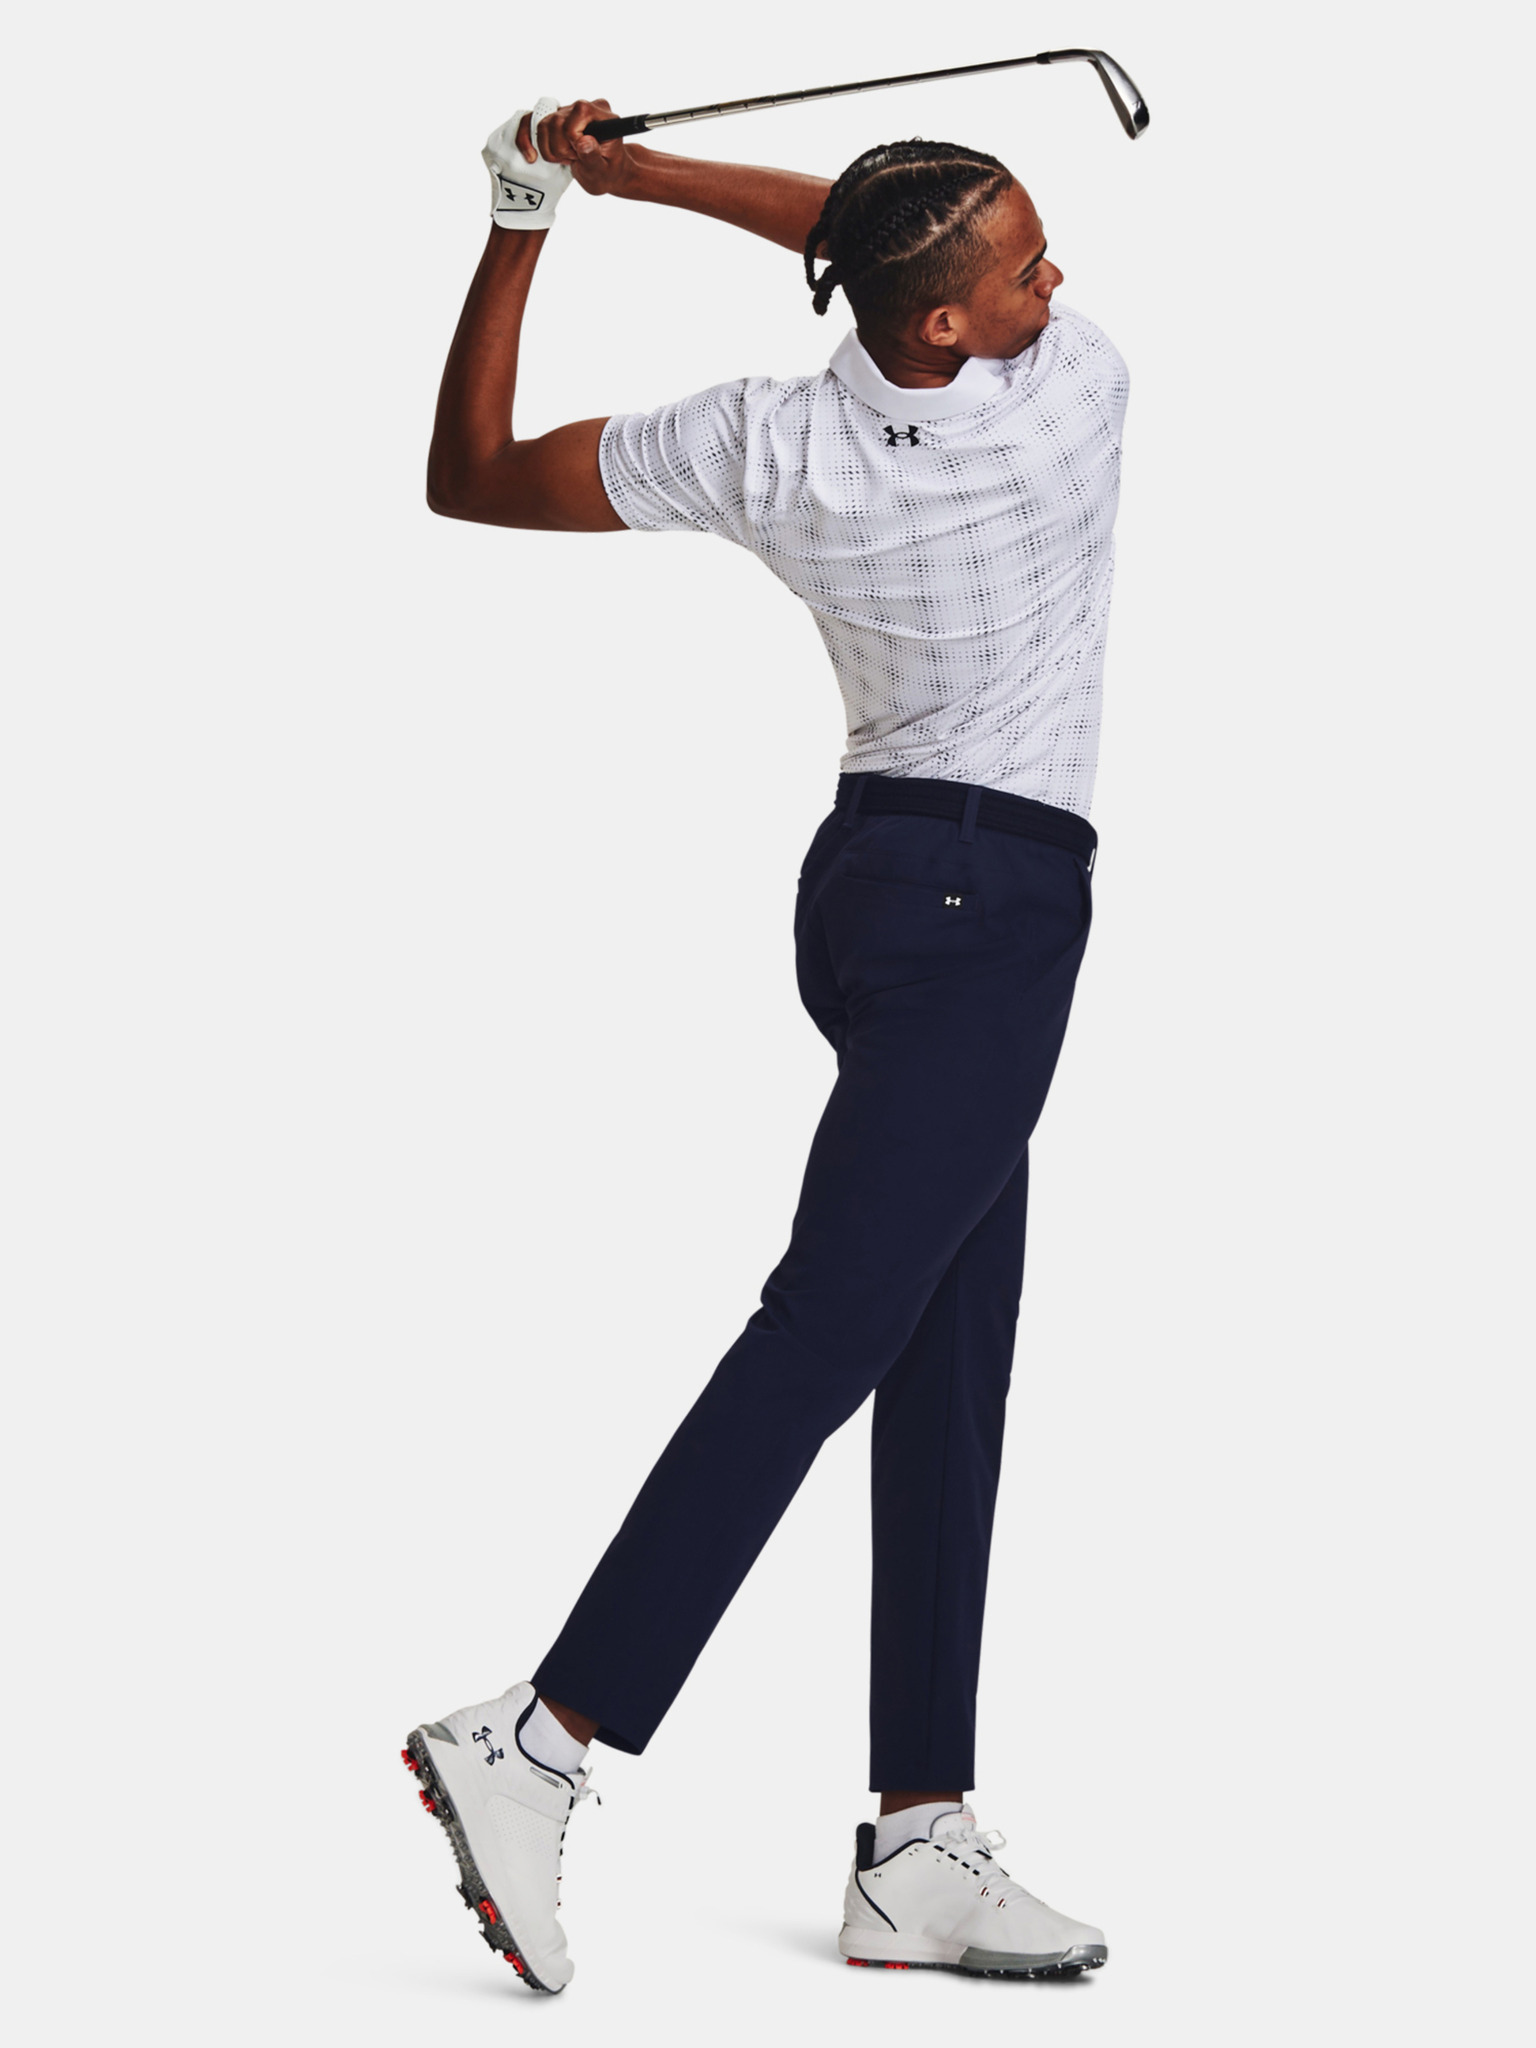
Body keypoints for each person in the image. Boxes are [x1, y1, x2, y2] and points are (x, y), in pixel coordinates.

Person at [402, 92, 1128, 1993]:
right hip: (992, 917)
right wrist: (640, 176)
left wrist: (542, 210)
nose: (1059, 281)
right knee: (829, 1331)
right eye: (1025, 265)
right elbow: (855, 225)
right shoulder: (1071, 396)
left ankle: (919, 1841)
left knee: (949, 1354)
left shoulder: (767, 441)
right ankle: (539, 1734)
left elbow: (472, 471)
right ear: (954, 324)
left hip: (869, 890)